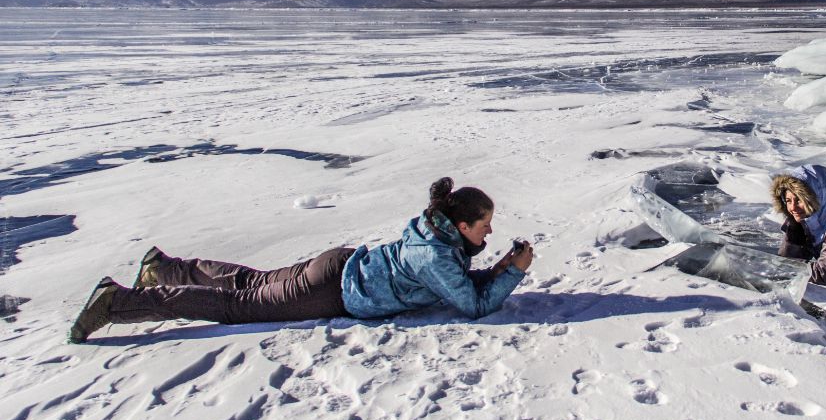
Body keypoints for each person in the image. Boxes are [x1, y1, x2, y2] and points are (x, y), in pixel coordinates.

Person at [68, 177, 533, 343]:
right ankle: (117, 303)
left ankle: (161, 267)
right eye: (485, 225)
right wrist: (511, 273)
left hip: (337, 266)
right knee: (237, 307)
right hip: (331, 290)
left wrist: (495, 267)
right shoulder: (436, 254)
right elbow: (472, 305)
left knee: (247, 281)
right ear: (464, 224)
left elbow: (456, 278)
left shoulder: (436, 230)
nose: (490, 232)